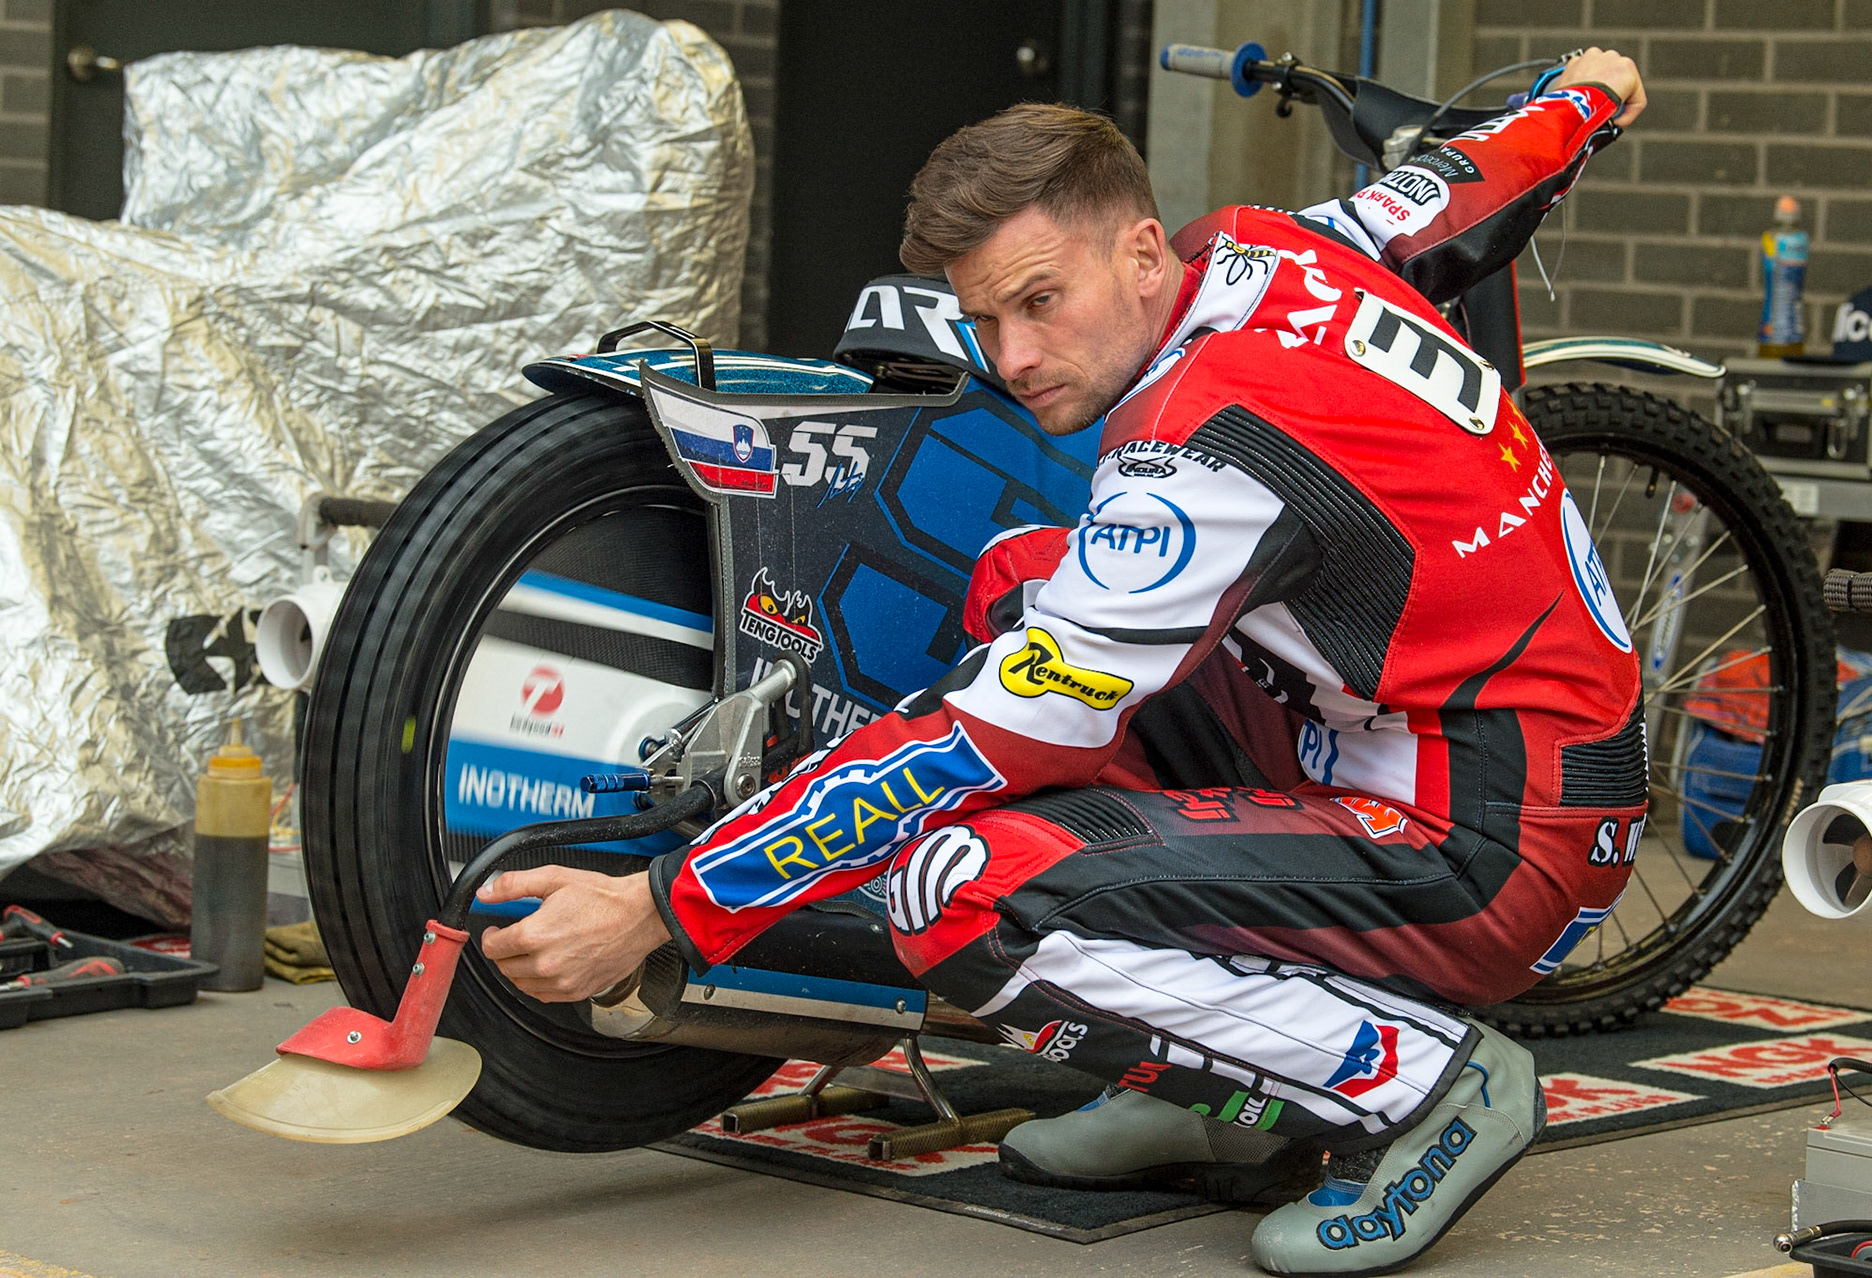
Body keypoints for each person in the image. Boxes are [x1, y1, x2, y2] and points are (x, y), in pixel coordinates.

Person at [476, 47, 1650, 1275]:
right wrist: (1588, 100)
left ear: (1142, 254)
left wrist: (668, 903)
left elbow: (984, 735)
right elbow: (1465, 184)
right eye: (986, 317)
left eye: (1042, 301)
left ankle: (1428, 1088)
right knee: (1023, 578)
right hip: (1433, 727)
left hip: (1497, 842)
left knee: (961, 890)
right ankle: (1236, 1093)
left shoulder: (1205, 453)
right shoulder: (1275, 248)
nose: (1013, 356)